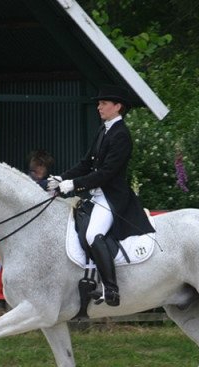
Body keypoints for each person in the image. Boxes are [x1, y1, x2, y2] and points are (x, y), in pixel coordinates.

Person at [47, 85, 155, 307]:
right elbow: (87, 164)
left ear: (117, 107)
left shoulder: (121, 134)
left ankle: (111, 289)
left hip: (112, 196)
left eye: (104, 103)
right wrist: (62, 178)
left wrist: (73, 185)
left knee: (93, 234)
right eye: (99, 103)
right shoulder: (104, 130)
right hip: (96, 194)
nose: (99, 107)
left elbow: (106, 173)